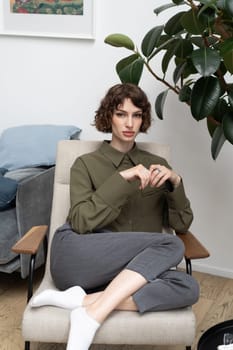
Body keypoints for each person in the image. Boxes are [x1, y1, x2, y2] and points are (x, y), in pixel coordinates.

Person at [30, 83, 199, 350]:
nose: (129, 123)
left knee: (188, 288)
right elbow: (81, 221)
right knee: (171, 245)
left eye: (137, 115)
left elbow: (182, 224)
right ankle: (90, 313)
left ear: (143, 119)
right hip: (82, 257)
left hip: (132, 274)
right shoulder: (85, 164)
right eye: (121, 114)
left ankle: (84, 305)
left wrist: (176, 183)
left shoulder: (158, 166)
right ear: (109, 116)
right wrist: (122, 179)